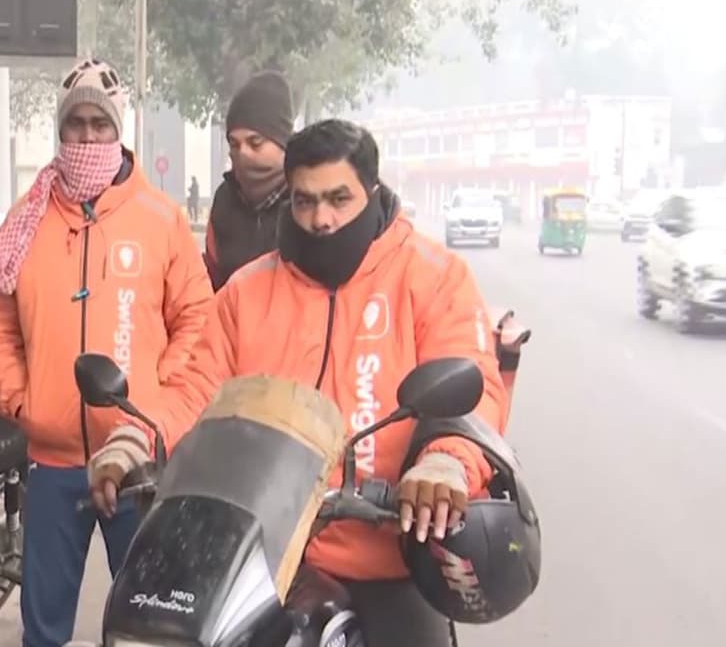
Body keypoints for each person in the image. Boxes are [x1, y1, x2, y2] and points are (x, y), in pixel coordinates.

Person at [89, 119, 512, 646]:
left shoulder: (432, 277)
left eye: (339, 199)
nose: (322, 218)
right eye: (306, 201)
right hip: (258, 555)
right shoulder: (249, 290)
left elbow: (471, 388)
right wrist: (136, 439)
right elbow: (195, 388)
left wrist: (444, 462)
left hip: (387, 551)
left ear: (371, 193)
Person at [0, 57, 214, 647]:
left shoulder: (161, 219)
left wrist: (154, 403)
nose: (86, 137)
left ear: (118, 129)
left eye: (98, 125)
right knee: (44, 625)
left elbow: (198, 322)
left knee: (152, 624)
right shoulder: (25, 222)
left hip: (138, 466)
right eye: (74, 124)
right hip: (52, 463)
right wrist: (19, 397)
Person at [204, 70, 296, 290]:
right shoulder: (224, 200)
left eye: (255, 143)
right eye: (234, 145)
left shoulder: (306, 200)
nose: (243, 153)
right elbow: (212, 276)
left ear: (283, 143)